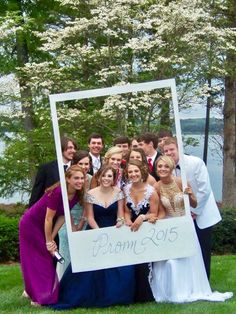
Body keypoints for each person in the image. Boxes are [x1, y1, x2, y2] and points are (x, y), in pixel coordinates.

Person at [150, 155, 233, 303]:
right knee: (169, 260)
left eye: (165, 167)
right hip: (169, 226)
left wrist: (189, 195)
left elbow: (194, 204)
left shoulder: (181, 182)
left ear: (171, 168)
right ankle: (170, 291)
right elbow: (161, 210)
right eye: (159, 167)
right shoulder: (156, 186)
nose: (162, 169)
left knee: (186, 259)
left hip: (184, 224)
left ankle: (190, 288)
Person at [50, 165, 135, 310]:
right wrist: (99, 232)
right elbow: (89, 217)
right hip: (95, 232)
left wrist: (119, 223)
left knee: (121, 266)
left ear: (114, 179)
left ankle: (117, 295)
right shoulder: (90, 193)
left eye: (110, 176)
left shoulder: (119, 193)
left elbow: (120, 214)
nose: (106, 179)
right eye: (104, 175)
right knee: (88, 267)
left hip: (114, 231)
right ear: (99, 176)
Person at [19, 165, 85, 306]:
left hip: (45, 226)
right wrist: (49, 241)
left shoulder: (77, 194)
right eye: (76, 178)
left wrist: (52, 237)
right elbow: (48, 218)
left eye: (82, 178)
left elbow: (62, 216)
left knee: (47, 258)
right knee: (38, 259)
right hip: (31, 224)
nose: (80, 181)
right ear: (67, 179)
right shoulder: (57, 192)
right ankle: (38, 296)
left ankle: (41, 292)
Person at [163, 137, 221, 279]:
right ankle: (189, 281)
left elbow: (205, 190)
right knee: (186, 250)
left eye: (172, 149)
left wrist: (194, 211)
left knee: (202, 249)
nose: (169, 153)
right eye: (166, 151)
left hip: (201, 214)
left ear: (179, 149)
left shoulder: (196, 163)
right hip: (181, 216)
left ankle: (204, 282)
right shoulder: (166, 168)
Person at [123, 159, 161, 303]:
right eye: (130, 172)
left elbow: (154, 214)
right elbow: (126, 211)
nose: (133, 174)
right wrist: (127, 219)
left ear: (142, 172)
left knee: (144, 264)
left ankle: (145, 295)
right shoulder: (126, 190)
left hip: (146, 231)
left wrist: (142, 217)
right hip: (130, 230)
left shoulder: (151, 192)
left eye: (136, 171)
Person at [57, 151, 92, 279]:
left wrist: (82, 223)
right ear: (75, 164)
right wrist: (73, 226)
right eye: (81, 163)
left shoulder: (91, 179)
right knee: (66, 255)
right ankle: (62, 284)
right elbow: (66, 205)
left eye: (87, 163)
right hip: (67, 220)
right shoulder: (68, 179)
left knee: (83, 256)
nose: (84, 166)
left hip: (85, 220)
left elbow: (88, 203)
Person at [29, 136, 77, 207]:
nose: (73, 151)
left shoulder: (77, 168)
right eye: (70, 148)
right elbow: (37, 193)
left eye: (74, 148)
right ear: (61, 148)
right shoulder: (46, 168)